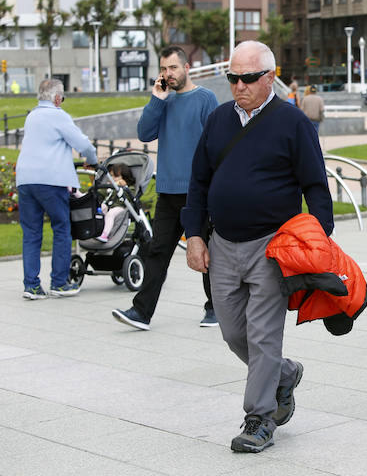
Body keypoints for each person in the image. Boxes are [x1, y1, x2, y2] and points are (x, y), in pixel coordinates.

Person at [182, 40, 333, 452]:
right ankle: (284, 374)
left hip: (273, 246)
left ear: (270, 77)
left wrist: (318, 242)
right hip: (223, 244)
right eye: (233, 77)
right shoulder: (217, 121)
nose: (239, 85)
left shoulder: (292, 122)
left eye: (248, 78)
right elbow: (198, 183)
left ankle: (259, 419)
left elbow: (315, 187)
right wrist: (194, 234)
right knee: (234, 334)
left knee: (264, 335)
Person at [111, 46, 219, 330]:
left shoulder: (205, 98)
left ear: (186, 67)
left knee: (207, 251)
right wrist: (156, 99)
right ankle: (141, 313)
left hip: (199, 194)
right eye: (163, 69)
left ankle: (216, 308)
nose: (167, 74)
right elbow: (145, 133)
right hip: (168, 192)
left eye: (172, 68)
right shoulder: (164, 101)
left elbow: (217, 144)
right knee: (157, 251)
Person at [16, 78, 97, 299]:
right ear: (57, 98)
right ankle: (59, 283)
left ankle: (31, 286)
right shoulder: (59, 116)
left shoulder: (32, 116)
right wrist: (93, 159)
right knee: (62, 228)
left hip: (25, 179)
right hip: (50, 180)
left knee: (31, 234)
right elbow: (83, 144)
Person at [96, 164, 136, 243]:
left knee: (111, 213)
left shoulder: (128, 188)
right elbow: (100, 193)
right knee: (101, 207)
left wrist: (122, 187)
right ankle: (97, 230)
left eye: (116, 176)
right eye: (111, 176)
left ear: (124, 178)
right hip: (108, 206)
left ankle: (105, 234)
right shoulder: (110, 187)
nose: (112, 179)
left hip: (120, 207)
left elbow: (130, 198)